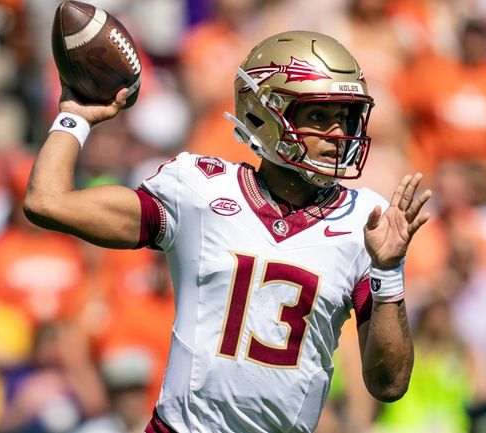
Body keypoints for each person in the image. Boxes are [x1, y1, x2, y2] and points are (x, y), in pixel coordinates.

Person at [23, 30, 431, 433]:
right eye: (319, 116)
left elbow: (389, 384)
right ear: (266, 113)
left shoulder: (367, 221)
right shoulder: (199, 189)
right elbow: (47, 202)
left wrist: (389, 272)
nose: (339, 134)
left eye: (344, 117)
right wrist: (74, 118)